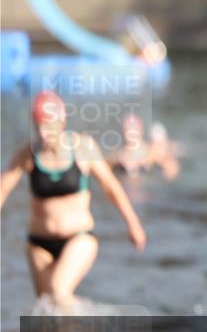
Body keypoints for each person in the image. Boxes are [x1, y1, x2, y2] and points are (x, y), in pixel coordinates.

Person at [0, 91, 147, 309]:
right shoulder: (28, 154)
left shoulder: (82, 148)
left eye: (48, 125)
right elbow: (2, 191)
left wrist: (133, 224)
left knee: (59, 292)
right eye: (38, 125)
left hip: (79, 238)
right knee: (46, 307)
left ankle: (94, 324)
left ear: (61, 121)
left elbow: (111, 187)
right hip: (38, 244)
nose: (43, 132)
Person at [108, 113, 181, 181]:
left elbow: (172, 168)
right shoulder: (119, 155)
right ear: (123, 132)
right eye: (127, 130)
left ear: (140, 129)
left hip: (147, 184)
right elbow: (105, 166)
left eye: (134, 129)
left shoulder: (151, 151)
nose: (130, 133)